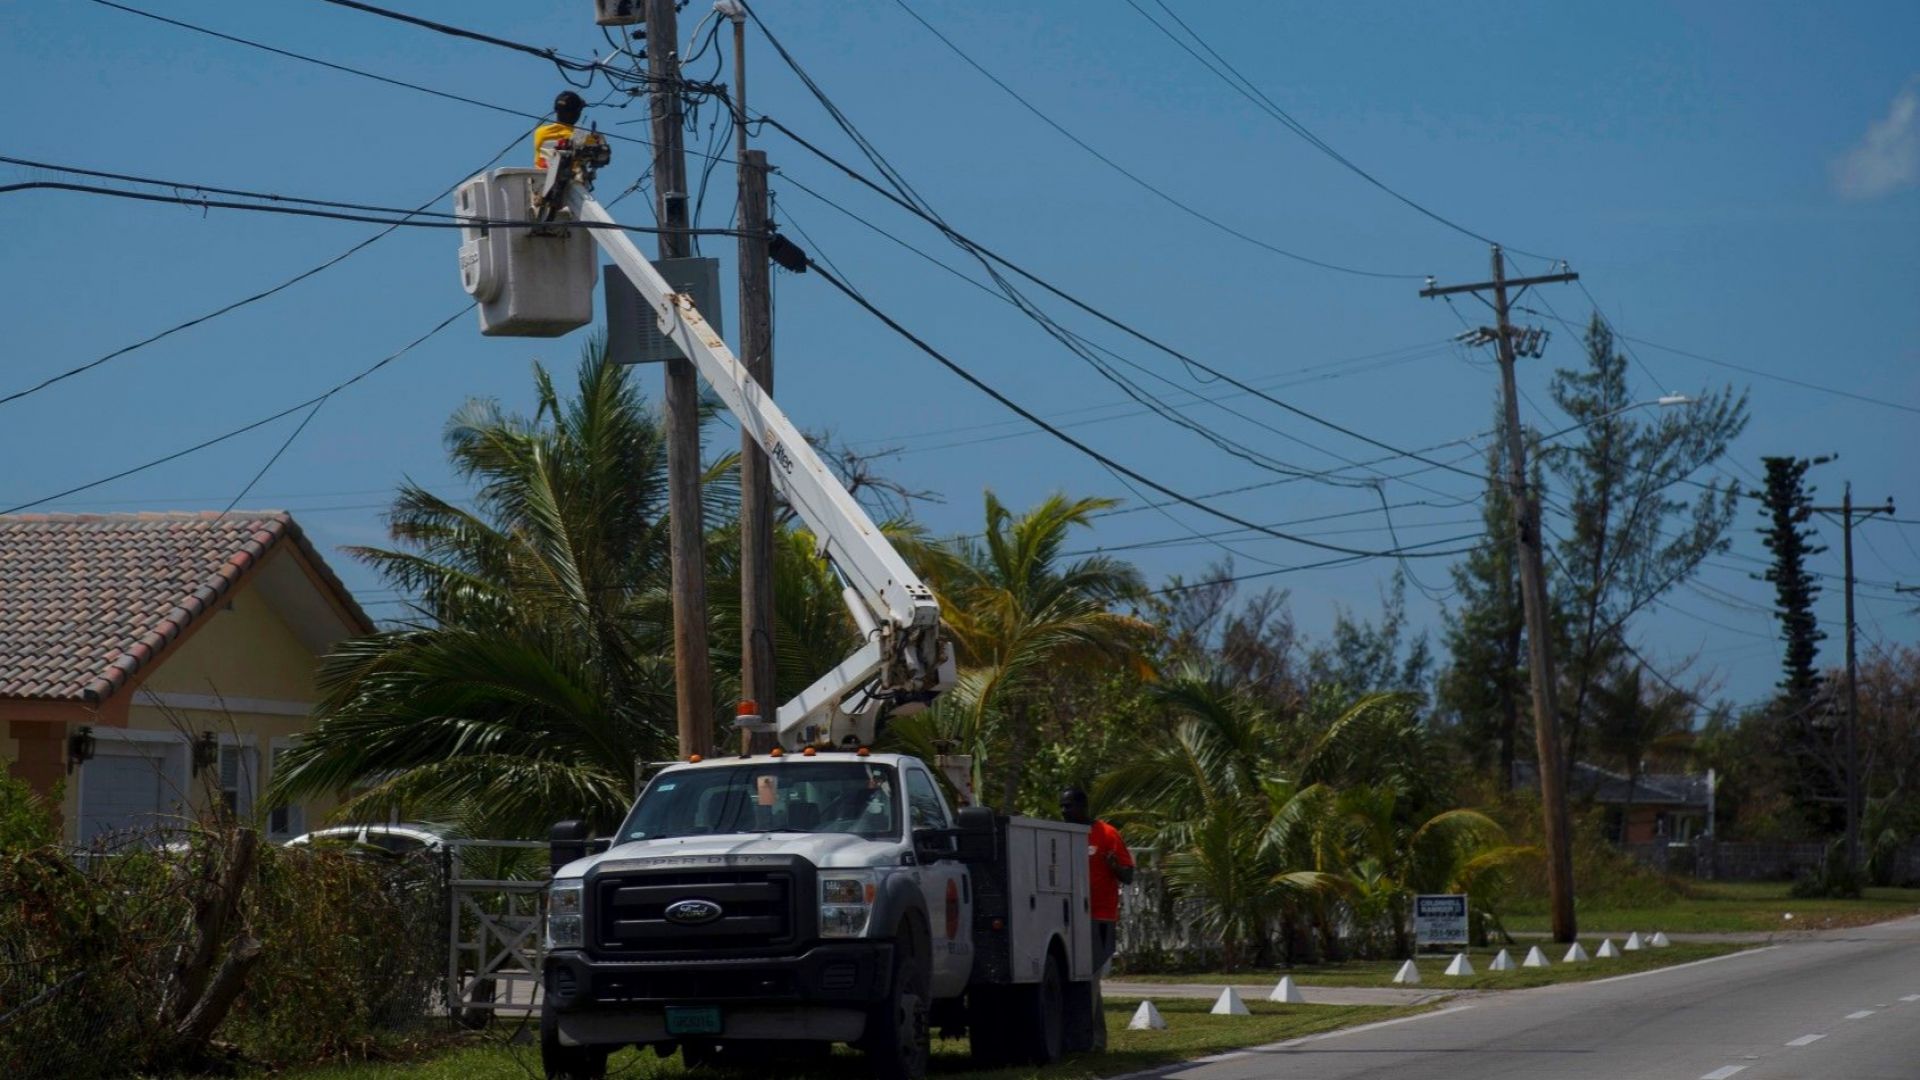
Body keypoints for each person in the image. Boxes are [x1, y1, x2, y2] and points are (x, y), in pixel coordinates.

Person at [1060, 787, 1132, 1050]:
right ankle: (1096, 1041)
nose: (1064, 812)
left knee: (1089, 977)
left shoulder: (1107, 833)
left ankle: (1081, 1041)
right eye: (1063, 807)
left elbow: (1128, 875)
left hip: (1099, 916)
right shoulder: (1063, 835)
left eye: (1069, 806)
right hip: (1070, 916)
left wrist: (1114, 866)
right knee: (1087, 981)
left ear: (1083, 806)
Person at [533, 91, 605, 169]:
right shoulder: (584, 139)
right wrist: (599, 138)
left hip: (542, 179)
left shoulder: (540, 132)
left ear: (556, 110)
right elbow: (603, 157)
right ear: (577, 114)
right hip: (570, 180)